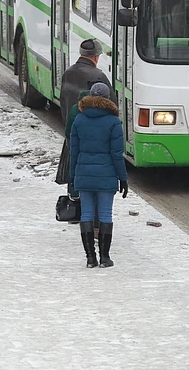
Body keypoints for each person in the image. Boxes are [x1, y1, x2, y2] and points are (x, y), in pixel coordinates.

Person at [69, 82, 129, 269]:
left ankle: (89, 258)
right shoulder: (113, 122)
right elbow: (116, 154)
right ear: (107, 98)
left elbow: (74, 151)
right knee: (105, 214)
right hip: (106, 175)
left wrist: (73, 177)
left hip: (84, 174)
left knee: (86, 213)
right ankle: (105, 257)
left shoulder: (79, 119)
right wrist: (123, 178)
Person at [59, 38, 111, 127]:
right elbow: (111, 105)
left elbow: (63, 102)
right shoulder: (98, 76)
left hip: (72, 130)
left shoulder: (68, 73)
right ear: (96, 57)